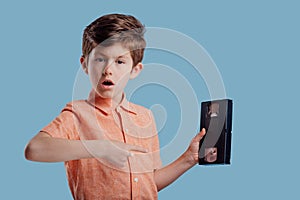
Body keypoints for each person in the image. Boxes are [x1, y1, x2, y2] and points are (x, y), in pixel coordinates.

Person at [24, 13, 206, 200]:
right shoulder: (77, 114)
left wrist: (188, 159)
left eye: (120, 61)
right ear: (85, 64)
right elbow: (35, 149)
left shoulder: (145, 117)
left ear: (135, 69)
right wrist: (101, 148)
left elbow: (149, 183)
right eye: (100, 59)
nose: (108, 70)